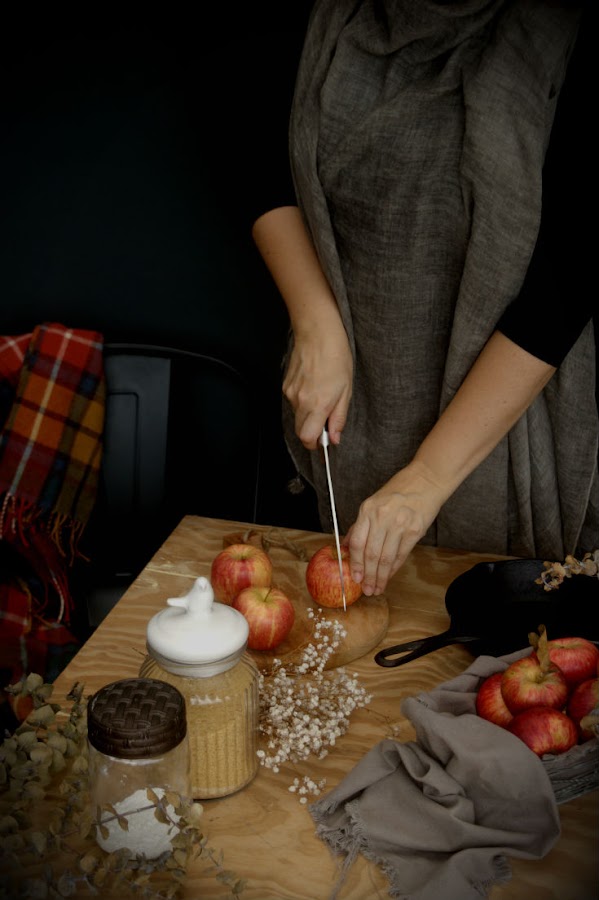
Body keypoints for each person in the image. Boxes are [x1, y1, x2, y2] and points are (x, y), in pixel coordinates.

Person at [251, 0, 597, 598]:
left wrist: (428, 478)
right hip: (364, 404)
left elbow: (569, 273)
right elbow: (246, 131)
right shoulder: (323, 15)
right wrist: (314, 320)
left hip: (513, 406)